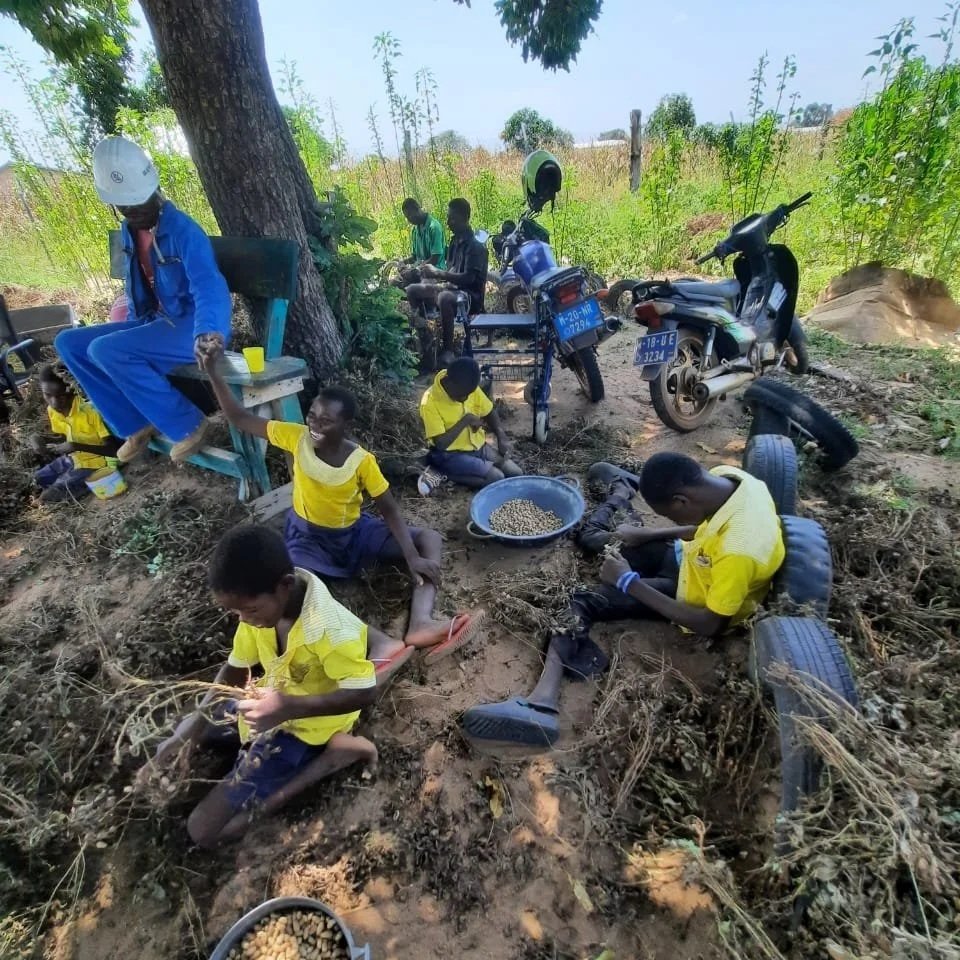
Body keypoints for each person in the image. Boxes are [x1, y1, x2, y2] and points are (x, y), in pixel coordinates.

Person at [460, 453, 786, 747]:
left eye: (666, 515)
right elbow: (700, 526)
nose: (669, 520)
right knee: (593, 539)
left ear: (681, 499)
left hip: (692, 595)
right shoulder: (733, 480)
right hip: (691, 558)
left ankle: (541, 704)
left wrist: (628, 581)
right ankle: (621, 491)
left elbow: (709, 623)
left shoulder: (740, 549)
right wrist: (649, 534)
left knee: (580, 600)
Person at [201, 350, 484, 657]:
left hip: (353, 533)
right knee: (300, 587)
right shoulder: (295, 437)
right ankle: (378, 643)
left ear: (345, 424)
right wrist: (213, 372)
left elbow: (388, 508)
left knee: (428, 539)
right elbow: (240, 417)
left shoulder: (361, 461)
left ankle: (421, 622)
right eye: (312, 416)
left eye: (327, 421)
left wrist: (412, 556)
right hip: (307, 538)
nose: (315, 426)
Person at [139, 525, 406, 847]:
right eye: (235, 612)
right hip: (271, 702)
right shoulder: (259, 615)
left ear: (285, 586)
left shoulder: (330, 630)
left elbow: (365, 691)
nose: (243, 619)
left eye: (249, 610)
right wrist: (186, 735)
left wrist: (287, 707)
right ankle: (203, 736)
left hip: (305, 727)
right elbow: (234, 671)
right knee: (185, 725)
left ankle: (332, 758)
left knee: (203, 831)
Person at [55, 136, 231, 465]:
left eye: (138, 205)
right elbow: (140, 283)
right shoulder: (129, 230)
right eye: (124, 207)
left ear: (154, 192)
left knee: (106, 349)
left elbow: (209, 285)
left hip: (192, 327)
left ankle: (189, 424)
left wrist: (209, 331)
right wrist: (133, 323)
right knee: (70, 343)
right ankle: (135, 423)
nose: (133, 213)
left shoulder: (183, 231)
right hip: (155, 321)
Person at [405, 198, 489, 366]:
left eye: (452, 218)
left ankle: (448, 350)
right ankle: (426, 341)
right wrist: (433, 276)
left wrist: (439, 273)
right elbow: (451, 271)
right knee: (413, 289)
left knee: (445, 297)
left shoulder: (475, 247)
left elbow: (469, 279)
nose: (448, 222)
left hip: (470, 296)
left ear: (464, 218)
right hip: (453, 288)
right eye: (448, 218)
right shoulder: (454, 242)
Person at [418, 357, 521, 492]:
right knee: (497, 478)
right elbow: (440, 444)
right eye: (462, 395)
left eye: (468, 394)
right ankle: (442, 472)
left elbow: (489, 411)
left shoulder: (467, 385)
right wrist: (466, 420)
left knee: (516, 473)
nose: (465, 398)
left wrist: (501, 436)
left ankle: (471, 469)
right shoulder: (430, 401)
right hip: (449, 455)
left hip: (477, 446)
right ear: (449, 382)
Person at [31, 363, 121, 503]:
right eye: (48, 395)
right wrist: (39, 439)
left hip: (97, 464)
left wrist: (78, 446)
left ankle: (73, 490)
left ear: (72, 390)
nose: (54, 402)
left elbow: (114, 450)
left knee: (48, 497)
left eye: (61, 396)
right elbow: (63, 437)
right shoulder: (52, 410)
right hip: (73, 459)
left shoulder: (89, 411)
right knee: (37, 479)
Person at [397, 198, 447, 284]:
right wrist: (403, 262)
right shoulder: (415, 231)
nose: (408, 220)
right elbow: (415, 257)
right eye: (406, 217)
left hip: (435, 272)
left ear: (417, 208)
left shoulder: (434, 227)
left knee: (413, 288)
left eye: (409, 215)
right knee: (394, 283)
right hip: (420, 271)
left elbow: (435, 258)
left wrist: (416, 269)